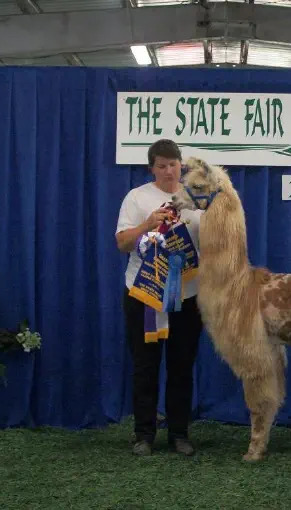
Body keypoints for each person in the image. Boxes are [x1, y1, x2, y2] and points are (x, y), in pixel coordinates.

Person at [115, 139, 203, 456]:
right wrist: (147, 224)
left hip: (188, 296)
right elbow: (122, 243)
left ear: (182, 165)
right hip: (144, 294)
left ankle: (179, 433)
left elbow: (213, 242)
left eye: (173, 164)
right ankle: (144, 434)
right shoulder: (136, 198)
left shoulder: (196, 200)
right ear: (152, 168)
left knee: (182, 366)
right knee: (145, 366)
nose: (168, 170)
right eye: (161, 165)